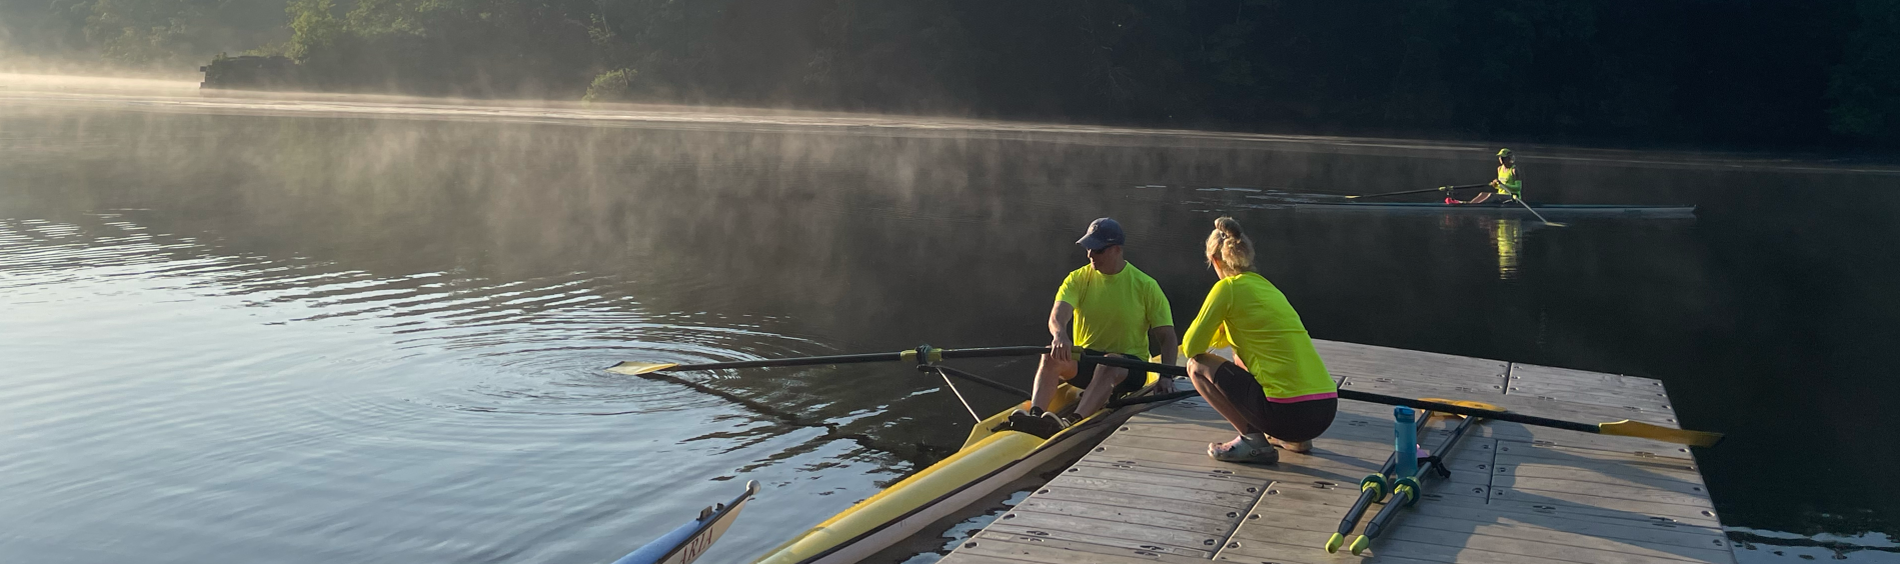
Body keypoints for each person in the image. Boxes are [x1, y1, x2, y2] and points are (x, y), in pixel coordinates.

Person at [1179, 217, 1338, 463]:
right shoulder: (1268, 288)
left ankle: (1253, 440)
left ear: (1215, 260)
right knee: (1244, 357)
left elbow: (1192, 347)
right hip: (1325, 410)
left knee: (1196, 366)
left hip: (1288, 413)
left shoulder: (1227, 288)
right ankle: (1295, 439)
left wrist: (1216, 327)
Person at [1008, 217, 1178, 437]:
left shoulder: (1146, 286)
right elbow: (1058, 314)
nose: (1090, 255)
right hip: (1088, 359)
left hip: (1129, 367)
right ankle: (1035, 415)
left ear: (1116, 250)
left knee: (1110, 362)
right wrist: (1060, 335)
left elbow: (1167, 337)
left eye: (1097, 250)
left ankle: (1072, 423)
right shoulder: (1077, 279)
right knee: (1050, 355)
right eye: (1088, 248)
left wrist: (1166, 377)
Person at [1448, 148, 1521, 205]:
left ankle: (1472, 206)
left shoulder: (1514, 170)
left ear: (1509, 158)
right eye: (1500, 157)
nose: (1501, 159)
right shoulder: (1499, 169)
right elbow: (1499, 187)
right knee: (1482, 193)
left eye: (1503, 157)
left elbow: (1518, 188)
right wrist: (1495, 185)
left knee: (1491, 195)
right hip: (1501, 195)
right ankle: (1470, 204)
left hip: (1513, 197)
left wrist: (1502, 184)